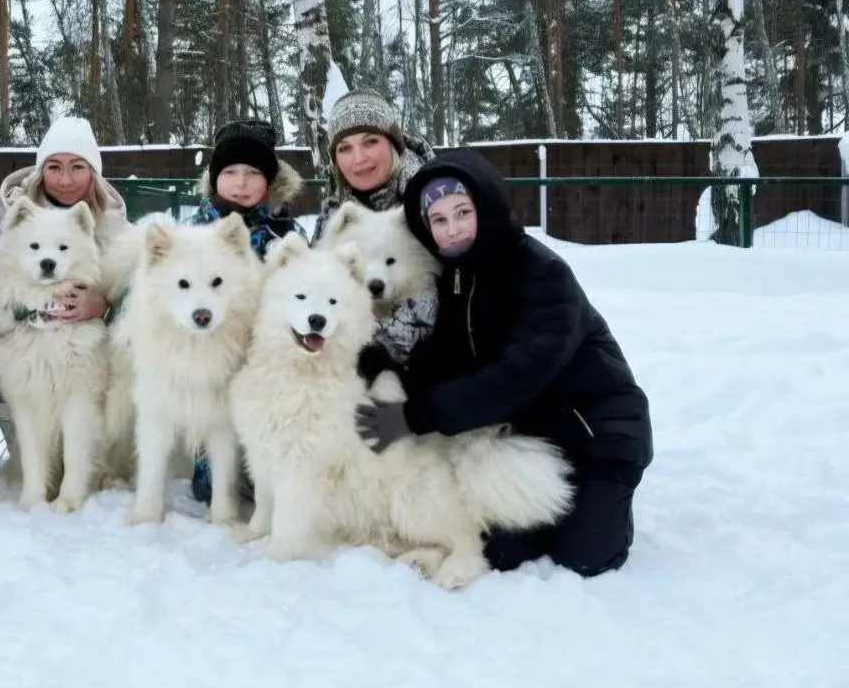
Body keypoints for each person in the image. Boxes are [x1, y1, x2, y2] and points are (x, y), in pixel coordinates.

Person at [354, 148, 654, 577]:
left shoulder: (543, 274)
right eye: (438, 220)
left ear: (487, 205)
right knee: (503, 552)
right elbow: (442, 361)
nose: (453, 229)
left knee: (585, 557)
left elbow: (517, 376)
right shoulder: (456, 279)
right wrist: (384, 367)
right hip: (531, 441)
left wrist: (415, 415)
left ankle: (607, 499)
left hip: (598, 437)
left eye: (463, 212)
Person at [0, 116, 135, 472]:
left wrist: (105, 305)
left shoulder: (115, 225)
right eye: (54, 167)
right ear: (40, 170)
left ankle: (102, 458)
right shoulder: (7, 218)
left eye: (78, 167)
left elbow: (138, 294)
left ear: (93, 172)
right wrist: (26, 310)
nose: (65, 180)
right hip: (20, 356)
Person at [187, 119, 307, 505]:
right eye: (230, 172)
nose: (241, 182)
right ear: (214, 178)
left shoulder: (286, 237)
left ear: (271, 181)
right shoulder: (191, 235)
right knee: (211, 489)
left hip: (268, 368)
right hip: (208, 369)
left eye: (254, 173)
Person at [311, 89, 438, 363]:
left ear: (393, 144)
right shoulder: (335, 212)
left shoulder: (434, 201)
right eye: (344, 148)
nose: (358, 159)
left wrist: (369, 350)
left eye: (370, 142)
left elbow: (431, 296)